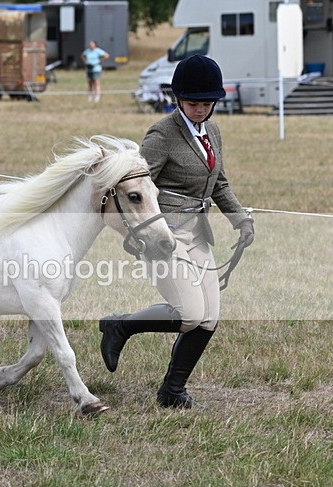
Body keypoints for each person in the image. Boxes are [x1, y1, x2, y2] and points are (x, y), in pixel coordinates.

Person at [99, 54, 255, 408]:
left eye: (206, 103)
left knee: (209, 318)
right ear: (178, 99)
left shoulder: (212, 132)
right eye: (192, 103)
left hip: (198, 233)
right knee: (188, 314)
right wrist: (135, 236)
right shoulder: (161, 134)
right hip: (164, 236)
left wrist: (239, 219)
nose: (199, 110)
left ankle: (172, 391)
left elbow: (220, 183)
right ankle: (120, 326)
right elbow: (133, 187)